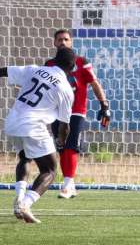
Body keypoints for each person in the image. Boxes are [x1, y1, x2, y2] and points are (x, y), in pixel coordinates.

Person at [0, 47, 76, 224]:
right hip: (32, 126)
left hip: (12, 123)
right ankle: (25, 204)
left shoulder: (36, 69)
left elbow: (2, 71)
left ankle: (19, 197)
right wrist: (61, 141)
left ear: (54, 60)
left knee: (25, 158)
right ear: (72, 68)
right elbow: (64, 125)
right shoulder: (65, 89)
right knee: (49, 170)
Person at [45, 28, 110, 199]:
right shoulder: (49, 65)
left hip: (77, 111)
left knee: (72, 145)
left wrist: (104, 105)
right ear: (54, 43)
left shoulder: (82, 62)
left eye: (66, 39)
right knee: (61, 146)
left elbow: (94, 83)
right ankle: (70, 184)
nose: (63, 42)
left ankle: (66, 185)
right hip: (56, 111)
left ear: (71, 42)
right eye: (59, 40)